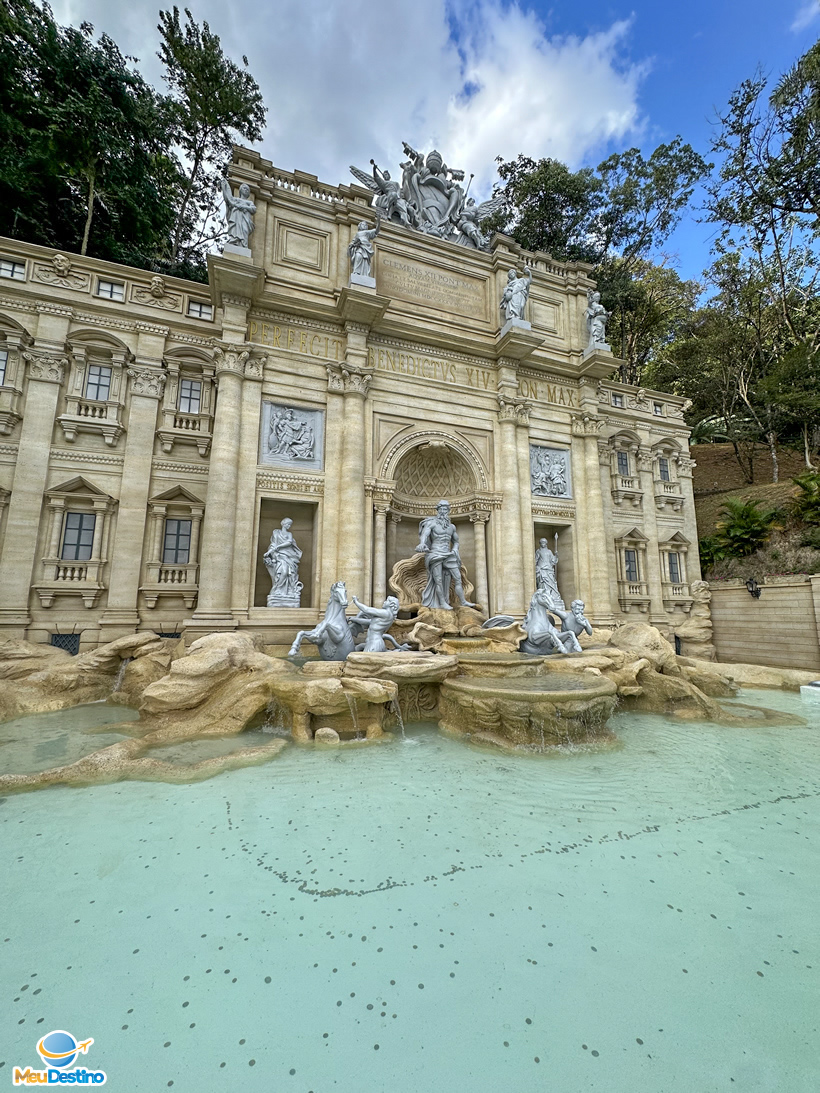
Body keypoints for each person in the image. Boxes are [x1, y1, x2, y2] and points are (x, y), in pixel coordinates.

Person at [415, 499, 476, 610]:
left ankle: (463, 601)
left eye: (445, 509)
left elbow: (456, 541)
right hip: (435, 553)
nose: (443, 511)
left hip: (448, 554)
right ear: (438, 510)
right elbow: (425, 534)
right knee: (438, 581)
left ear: (448, 511)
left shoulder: (452, 527)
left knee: (458, 578)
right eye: (441, 509)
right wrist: (422, 543)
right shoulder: (431, 523)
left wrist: (455, 549)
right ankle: (442, 603)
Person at [264, 518, 303, 605]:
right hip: (279, 556)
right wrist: (268, 553)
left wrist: (279, 547)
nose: (289, 526)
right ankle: (278, 590)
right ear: (283, 524)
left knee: (290, 574)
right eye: (287, 524)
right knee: (283, 572)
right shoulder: (276, 532)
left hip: (289, 556)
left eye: (290, 525)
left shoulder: (289, 534)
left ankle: (288, 591)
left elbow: (289, 542)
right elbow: (273, 545)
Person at [221, 179, 256, 248]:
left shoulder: (249, 202)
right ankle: (235, 241)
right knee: (235, 230)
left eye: (247, 189)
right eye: (244, 188)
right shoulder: (236, 200)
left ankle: (243, 245)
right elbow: (228, 199)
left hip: (245, 219)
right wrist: (224, 187)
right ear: (240, 190)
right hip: (236, 217)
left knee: (245, 230)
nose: (246, 190)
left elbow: (253, 209)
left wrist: (243, 207)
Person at [535, 537, 563, 608]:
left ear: (546, 543)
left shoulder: (549, 551)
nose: (543, 544)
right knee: (543, 583)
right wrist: (537, 568)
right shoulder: (538, 551)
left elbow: (553, 561)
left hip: (549, 569)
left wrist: (556, 555)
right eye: (541, 543)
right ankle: (544, 597)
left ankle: (553, 597)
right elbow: (535, 560)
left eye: (544, 542)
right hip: (541, 569)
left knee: (551, 584)